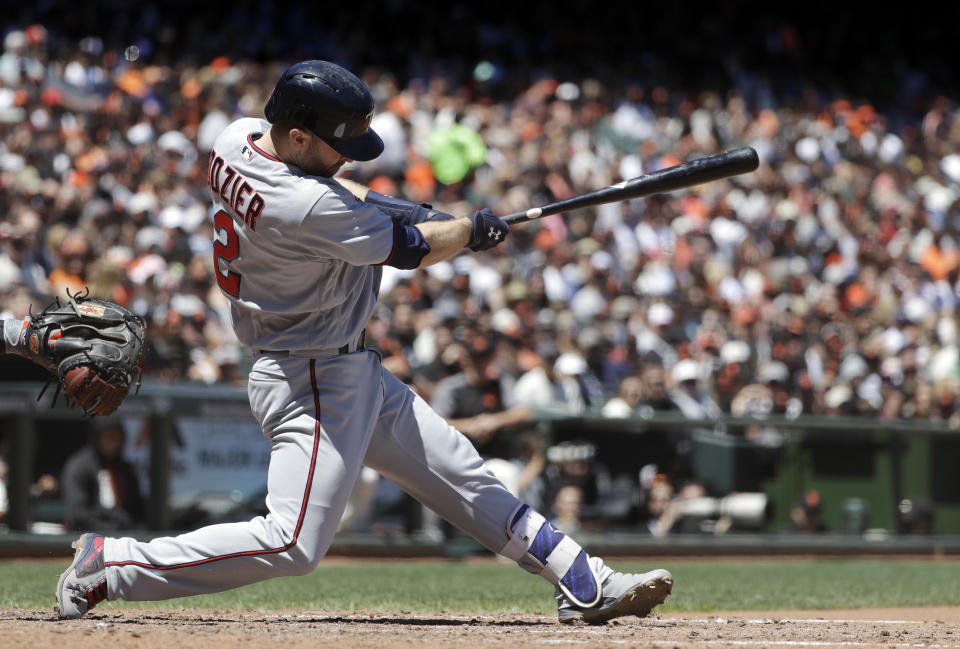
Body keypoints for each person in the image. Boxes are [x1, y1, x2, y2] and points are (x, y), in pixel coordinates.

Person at [53, 60, 671, 624]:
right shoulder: (302, 206)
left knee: (462, 474)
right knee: (292, 542)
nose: (348, 157)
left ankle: (584, 579)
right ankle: (111, 564)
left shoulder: (235, 138)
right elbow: (415, 248)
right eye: (336, 144)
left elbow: (351, 196)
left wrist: (409, 207)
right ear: (297, 136)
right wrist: (472, 229)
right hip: (310, 379)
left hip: (341, 367)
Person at [60, 418, 144, 532]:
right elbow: (77, 513)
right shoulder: (80, 466)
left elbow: (137, 509)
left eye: (116, 437)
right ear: (97, 438)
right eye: (108, 437)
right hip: (89, 537)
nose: (112, 443)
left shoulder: (126, 469)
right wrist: (110, 522)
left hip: (124, 537)